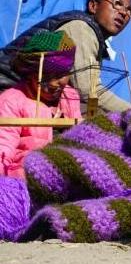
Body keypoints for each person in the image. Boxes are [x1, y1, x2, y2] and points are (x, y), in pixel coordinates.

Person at [0, 0, 131, 113]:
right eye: (117, 3)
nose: (124, 13)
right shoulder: (81, 28)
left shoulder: (93, 35)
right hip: (9, 95)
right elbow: (88, 91)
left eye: (129, 10)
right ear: (93, 6)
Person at [0, 30, 81, 178]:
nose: (55, 83)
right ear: (31, 73)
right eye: (47, 75)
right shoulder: (11, 101)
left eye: (62, 74)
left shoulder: (69, 96)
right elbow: (2, 153)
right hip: (25, 179)